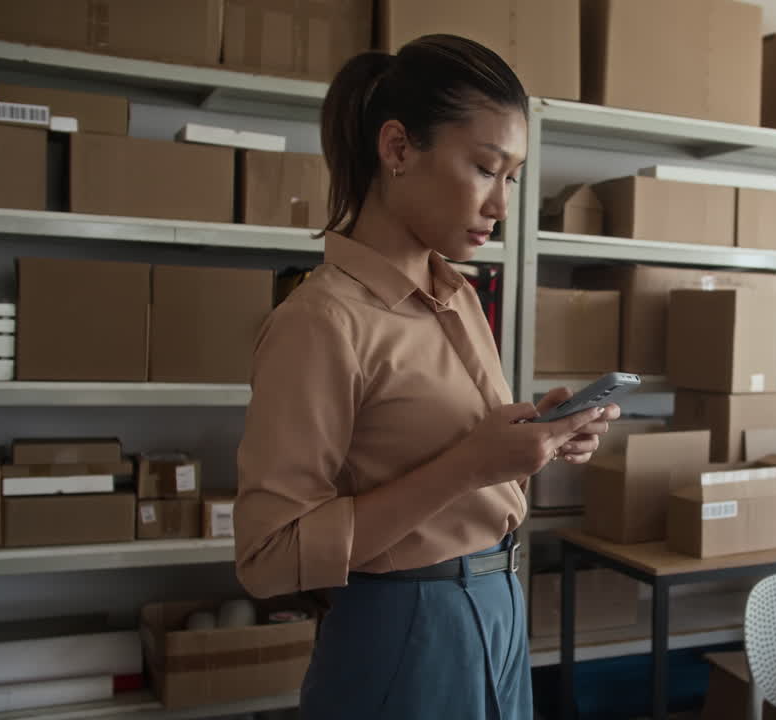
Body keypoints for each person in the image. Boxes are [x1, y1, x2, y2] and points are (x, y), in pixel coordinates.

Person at [233, 35, 620, 720]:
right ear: (398, 148)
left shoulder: (459, 294)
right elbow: (267, 557)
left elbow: (456, 458)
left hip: (498, 601)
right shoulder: (321, 321)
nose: (501, 206)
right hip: (405, 628)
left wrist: (541, 437)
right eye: (485, 168)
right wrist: (470, 466)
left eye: (512, 179)